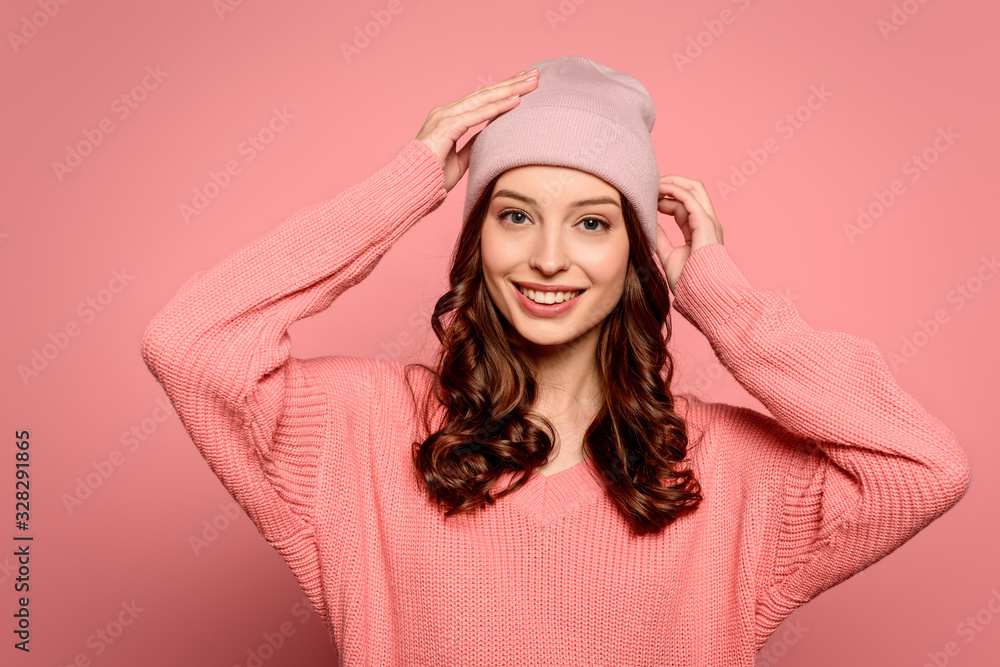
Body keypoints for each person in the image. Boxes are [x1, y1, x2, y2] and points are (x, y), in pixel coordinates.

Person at [141, 56, 971, 666]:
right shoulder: (361, 433)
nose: (547, 256)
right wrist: (403, 187)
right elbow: (191, 343)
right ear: (476, 238)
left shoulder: (720, 467)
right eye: (513, 215)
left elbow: (922, 467)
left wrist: (723, 300)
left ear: (635, 251)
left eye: (592, 222)